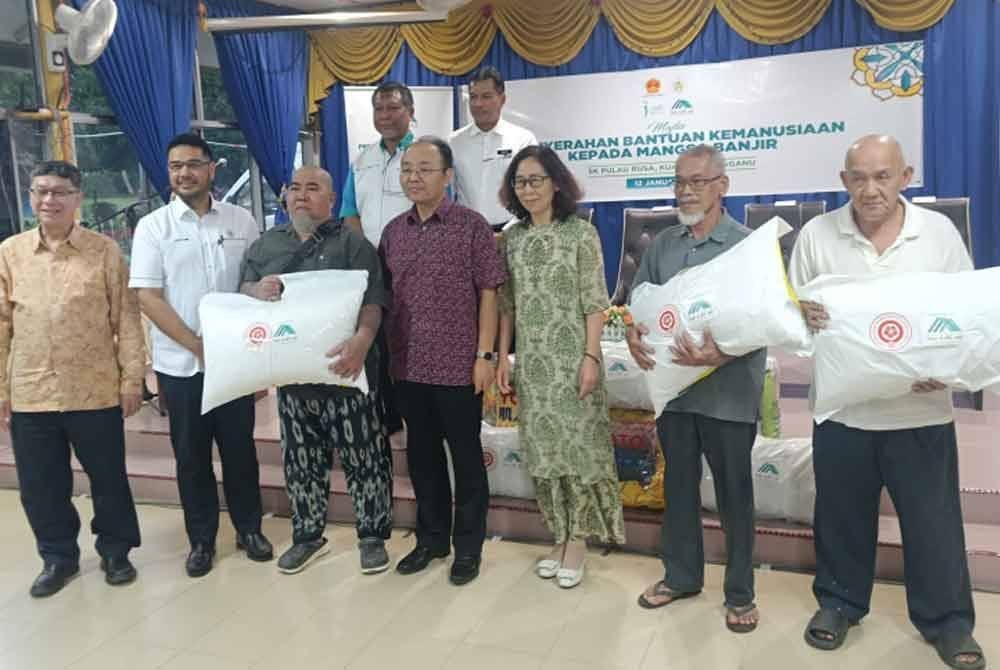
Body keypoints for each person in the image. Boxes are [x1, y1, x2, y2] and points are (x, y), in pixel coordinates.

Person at [789, 135, 983, 670]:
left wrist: (946, 370)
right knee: (841, 517)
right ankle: (839, 603)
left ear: (906, 175)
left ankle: (947, 622)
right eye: (858, 177)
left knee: (933, 523)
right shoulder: (816, 236)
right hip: (843, 410)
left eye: (882, 176)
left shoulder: (937, 234)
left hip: (920, 412)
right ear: (843, 178)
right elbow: (790, 320)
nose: (869, 189)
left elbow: (967, 317)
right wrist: (800, 317)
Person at [626, 144, 764, 633]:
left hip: (729, 397)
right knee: (679, 490)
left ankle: (741, 592)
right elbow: (637, 303)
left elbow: (764, 322)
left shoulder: (749, 246)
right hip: (676, 395)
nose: (685, 191)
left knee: (734, 498)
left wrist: (720, 354)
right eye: (679, 181)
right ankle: (681, 576)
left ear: (722, 186)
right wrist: (633, 333)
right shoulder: (664, 245)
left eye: (697, 181)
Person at [130, 132, 272, 577]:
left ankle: (250, 528)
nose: (183, 173)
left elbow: (251, 283)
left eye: (192, 164)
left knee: (239, 451)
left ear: (212, 169)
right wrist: (196, 344)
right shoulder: (154, 227)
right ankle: (202, 540)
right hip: (181, 365)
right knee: (191, 456)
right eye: (175, 166)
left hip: (234, 363)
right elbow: (148, 298)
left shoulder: (241, 222)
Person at [240, 166, 393, 575]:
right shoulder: (266, 246)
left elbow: (373, 302)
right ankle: (308, 536)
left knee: (365, 458)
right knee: (301, 462)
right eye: (294, 188)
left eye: (313, 188)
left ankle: (372, 535)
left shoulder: (354, 244)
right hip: (294, 379)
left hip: (347, 372)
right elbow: (241, 296)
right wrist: (255, 292)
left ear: (330, 200)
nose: (302, 195)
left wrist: (362, 342)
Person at [0, 161, 144, 597]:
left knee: (108, 478)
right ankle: (58, 557)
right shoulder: (10, 253)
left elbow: (127, 318)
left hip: (95, 388)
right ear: (30, 196)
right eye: (41, 191)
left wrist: (132, 378)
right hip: (32, 392)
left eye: (60, 192)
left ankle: (116, 550)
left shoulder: (103, 252)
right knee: (41, 485)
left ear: (77, 198)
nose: (50, 200)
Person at [495, 145, 624, 589]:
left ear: (556, 183)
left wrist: (591, 357)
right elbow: (506, 308)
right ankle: (561, 534)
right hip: (534, 364)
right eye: (520, 182)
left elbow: (595, 303)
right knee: (545, 453)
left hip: (574, 362)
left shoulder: (579, 234)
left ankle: (580, 541)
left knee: (579, 451)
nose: (528, 189)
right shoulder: (512, 238)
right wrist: (501, 358)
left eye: (536, 180)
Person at [380, 136, 505, 586]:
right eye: (407, 169)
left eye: (425, 169)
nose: (413, 177)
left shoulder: (472, 226)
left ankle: (468, 547)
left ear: (448, 176)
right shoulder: (394, 231)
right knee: (423, 457)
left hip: (459, 365)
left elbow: (489, 294)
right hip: (408, 366)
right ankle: (431, 539)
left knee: (467, 460)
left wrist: (485, 356)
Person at [340, 80, 415, 436]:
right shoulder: (362, 160)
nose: (385, 116)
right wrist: (366, 257)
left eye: (393, 108)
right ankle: (388, 415)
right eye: (379, 109)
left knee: (414, 337)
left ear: (410, 113)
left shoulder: (424, 155)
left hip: (417, 264)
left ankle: (416, 411)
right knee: (379, 341)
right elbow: (350, 211)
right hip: (373, 264)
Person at [449, 66, 537, 230]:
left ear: (502, 99)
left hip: (515, 230)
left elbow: (533, 190)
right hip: (467, 232)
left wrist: (510, 230)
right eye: (473, 97)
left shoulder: (523, 139)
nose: (478, 104)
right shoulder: (454, 142)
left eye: (486, 96)